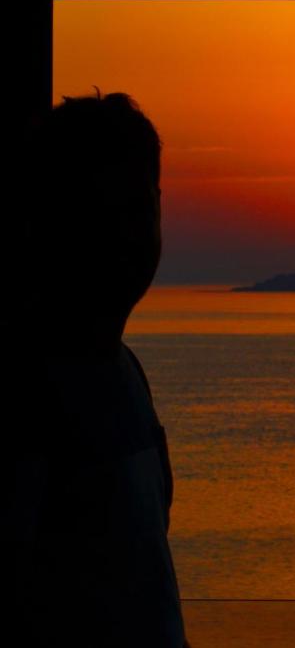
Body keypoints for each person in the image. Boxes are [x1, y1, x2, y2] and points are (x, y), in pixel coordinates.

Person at [4, 92, 187, 646]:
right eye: (94, 215)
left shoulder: (127, 373)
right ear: (48, 223)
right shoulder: (23, 392)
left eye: (138, 210)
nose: (124, 239)